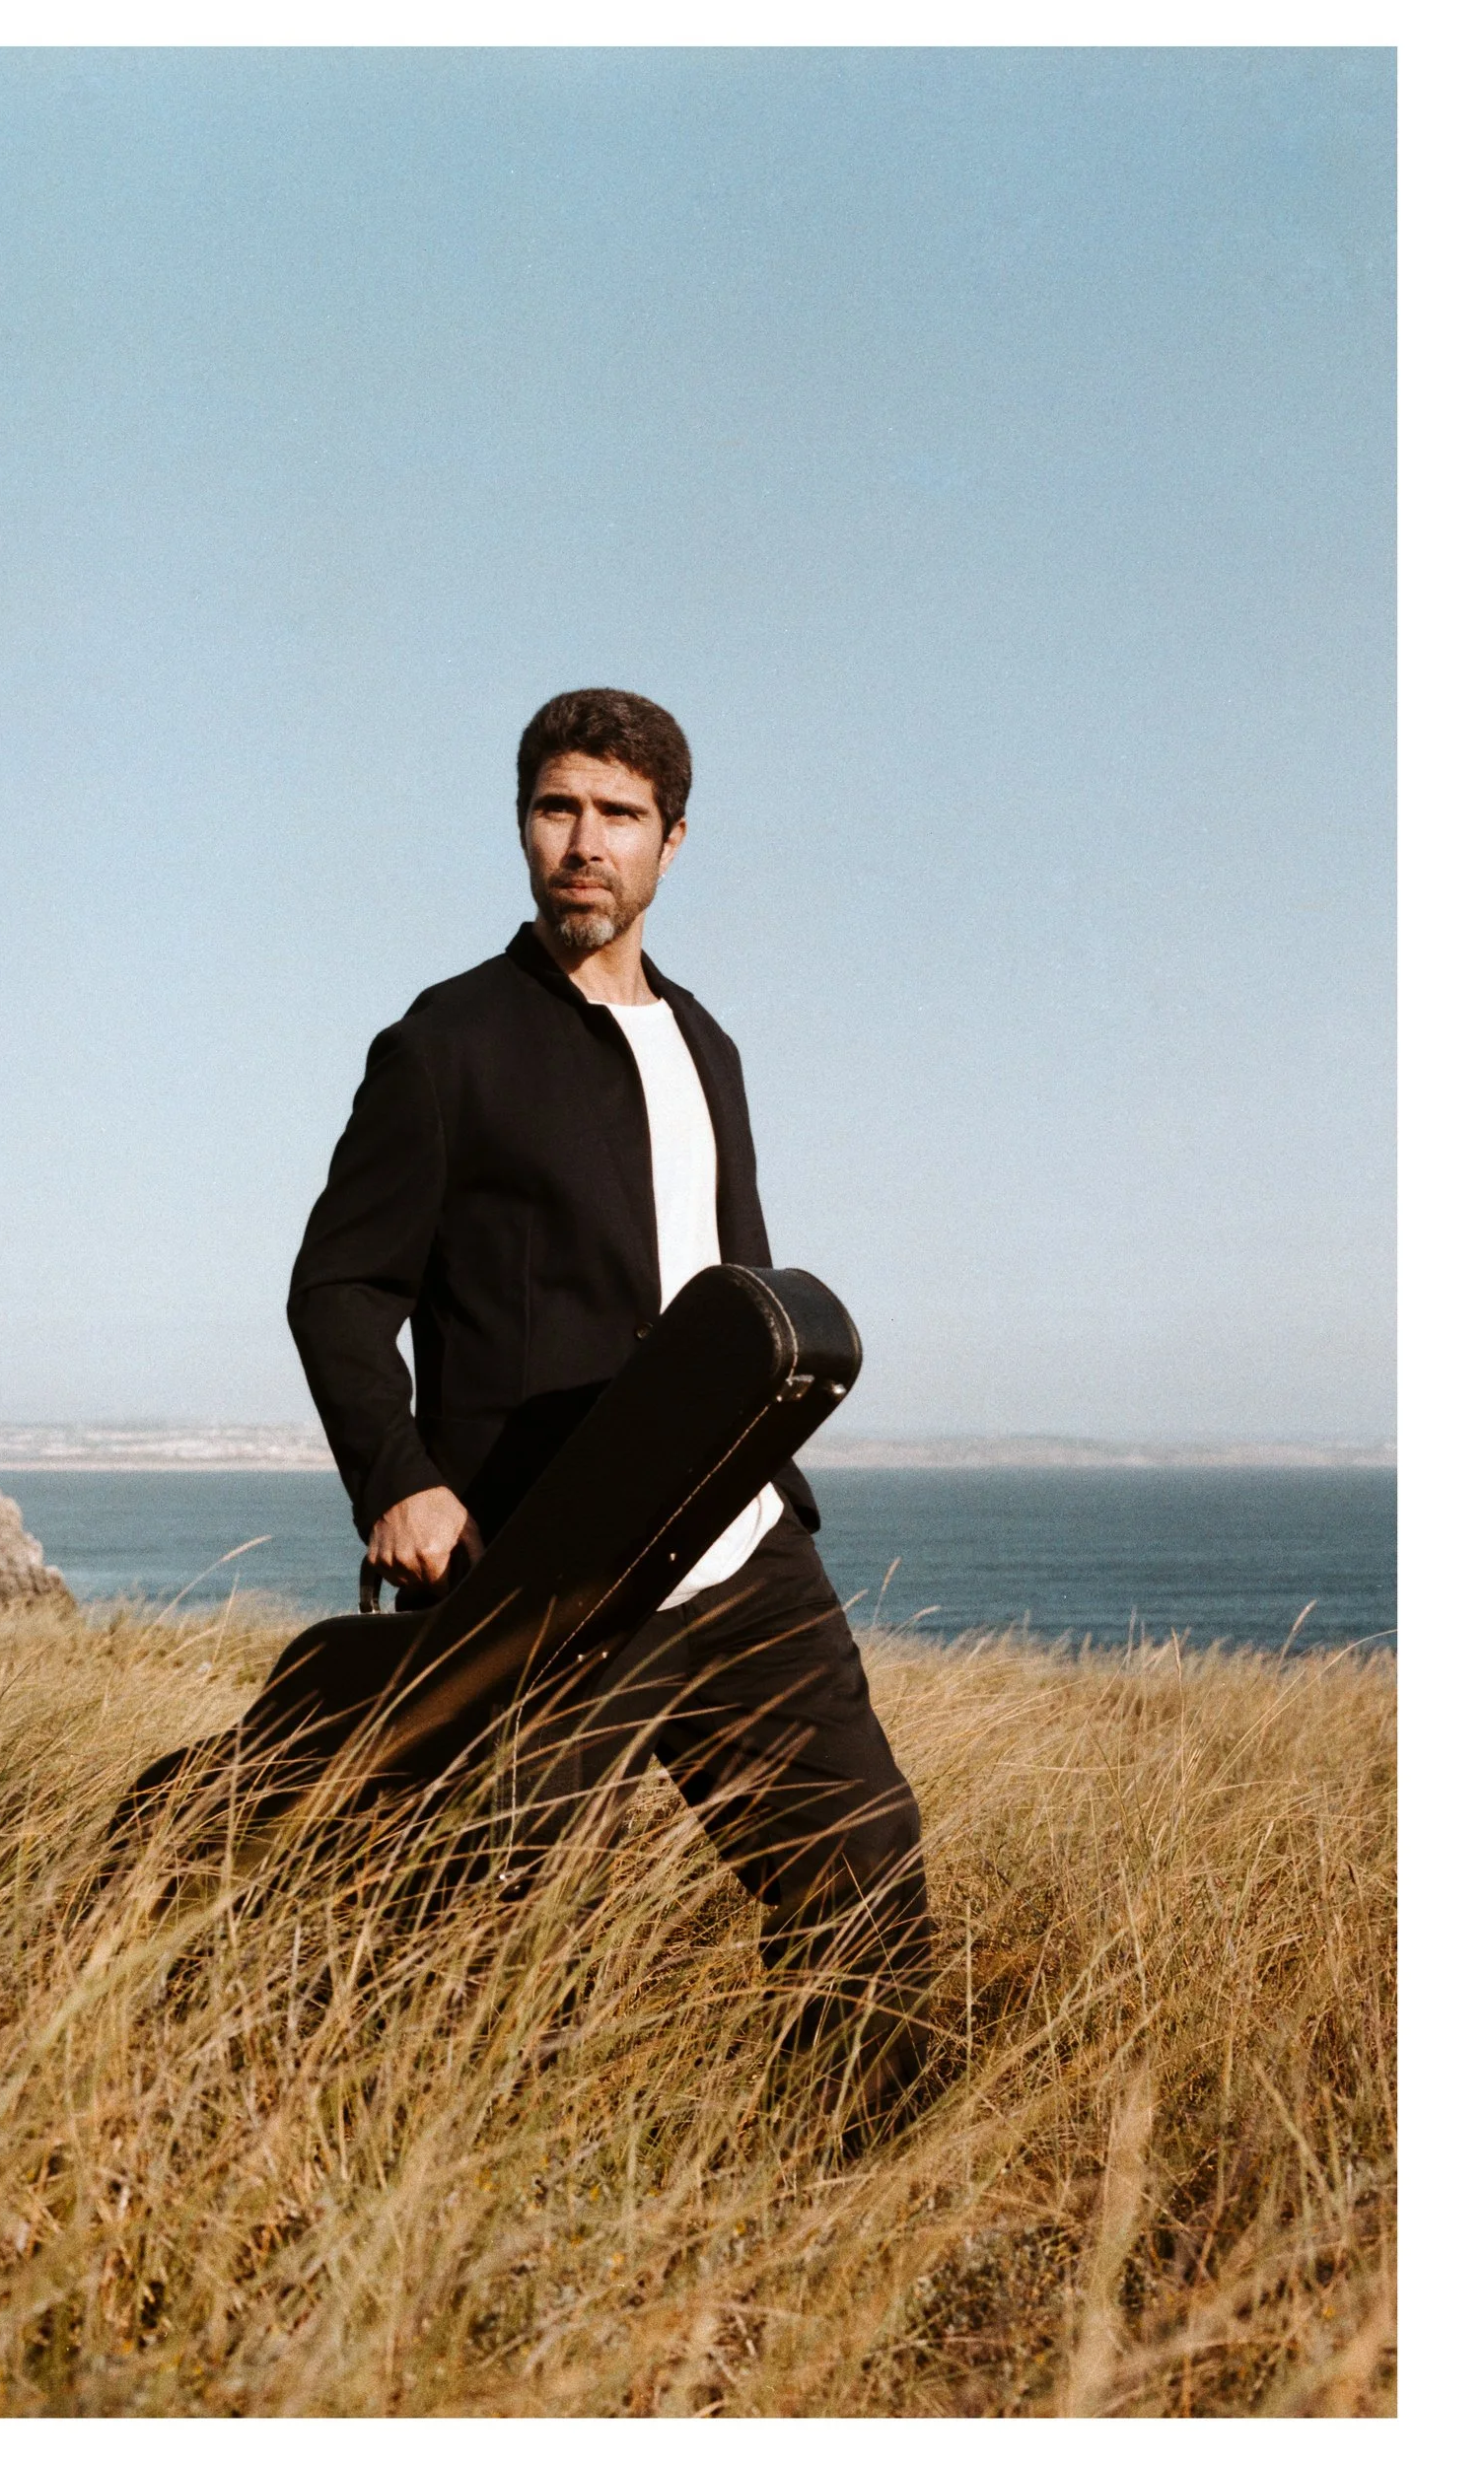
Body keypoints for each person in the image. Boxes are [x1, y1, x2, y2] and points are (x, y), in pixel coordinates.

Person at [286, 686, 932, 2112]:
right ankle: (409, 2177)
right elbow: (339, 1288)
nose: (586, 844)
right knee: (478, 1930)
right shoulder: (445, 1044)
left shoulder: (711, 1049)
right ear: (524, 824)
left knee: (862, 1878)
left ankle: (863, 2180)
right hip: (552, 1559)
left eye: (620, 816)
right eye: (558, 808)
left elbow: (730, 1282)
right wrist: (398, 1472)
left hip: (740, 1545)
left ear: (671, 841)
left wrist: (774, 1481)